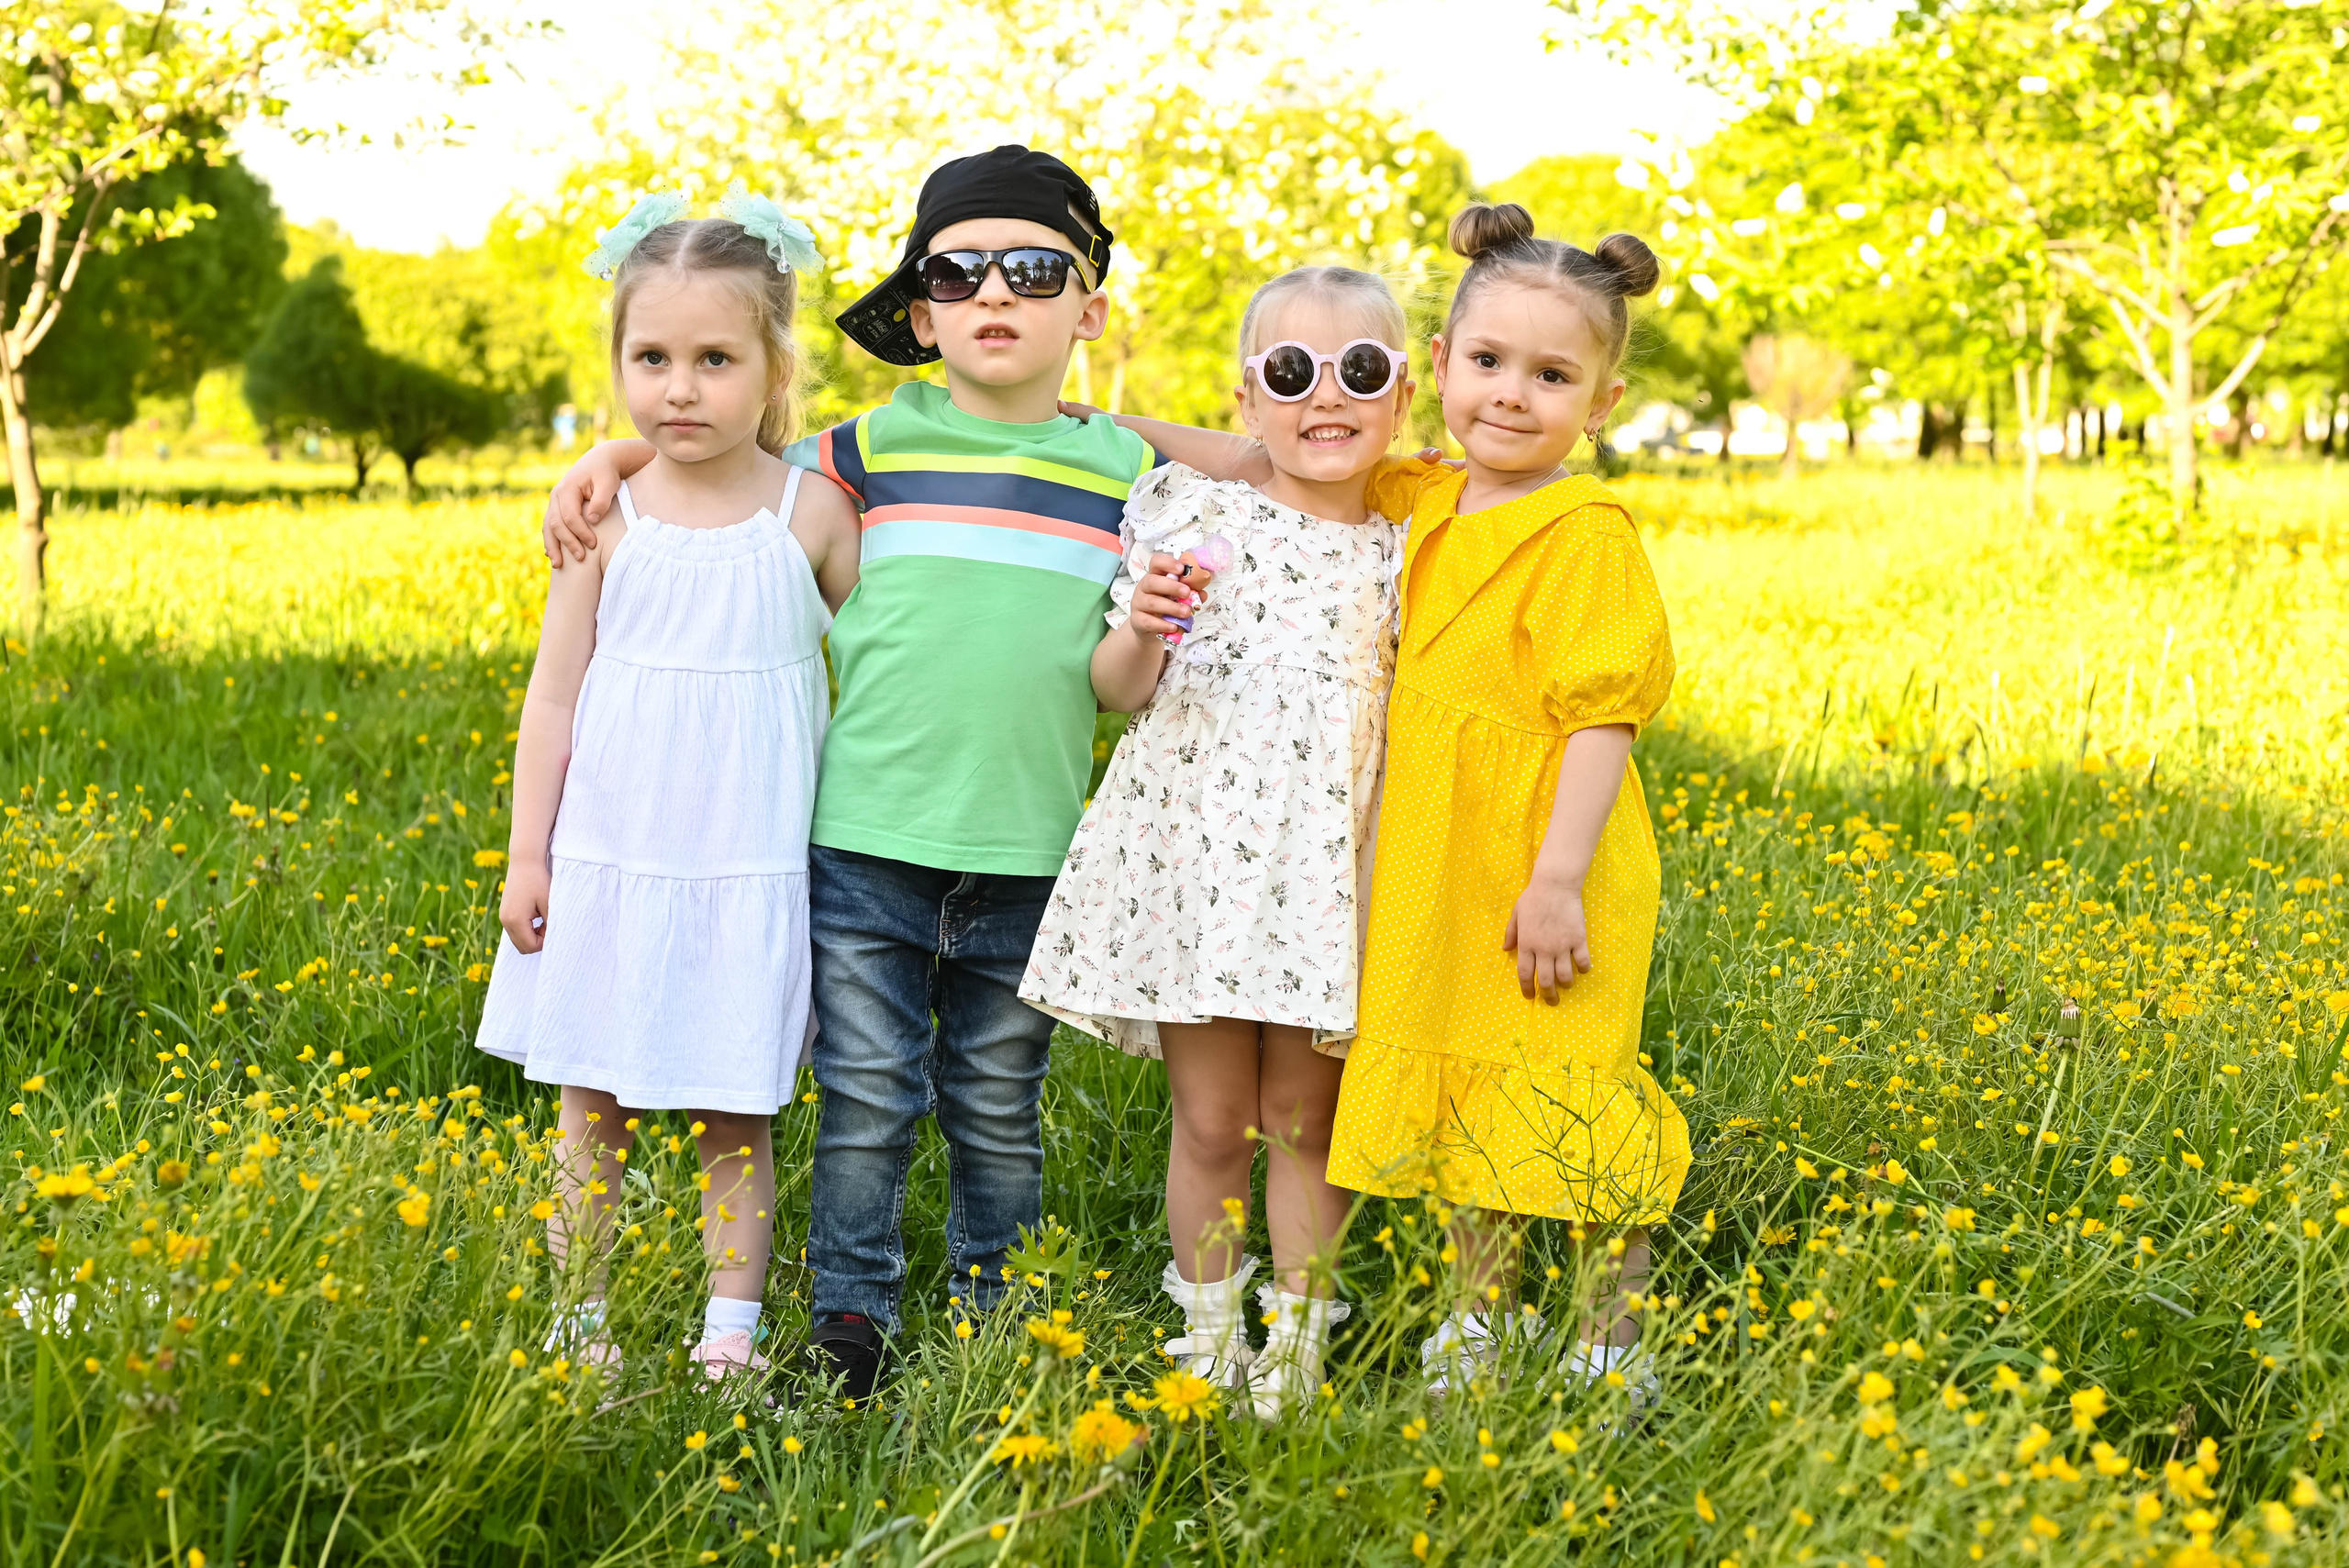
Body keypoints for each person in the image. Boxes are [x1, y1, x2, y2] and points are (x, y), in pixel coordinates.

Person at [539, 149, 1172, 1400]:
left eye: (1037, 270)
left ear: (1088, 306)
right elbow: (711, 446)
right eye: (958, 274)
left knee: (998, 1103)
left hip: (1027, 849)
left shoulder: (1126, 473)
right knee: (867, 1101)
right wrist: (608, 459)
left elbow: (1241, 495)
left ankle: (998, 1311)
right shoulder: (862, 454)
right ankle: (850, 1317)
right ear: (922, 313)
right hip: (861, 843)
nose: (997, 293)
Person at [479, 192, 860, 1382]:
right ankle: (577, 1320)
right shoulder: (610, 516)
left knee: (732, 1110)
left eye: (714, 359)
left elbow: (890, 663)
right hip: (613, 857)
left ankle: (729, 1335)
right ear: (617, 364)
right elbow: (554, 696)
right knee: (588, 1107)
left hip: (747, 868)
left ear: (774, 367)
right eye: (652, 359)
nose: (679, 389)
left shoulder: (813, 514)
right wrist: (529, 851)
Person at [1021, 268, 1414, 1417]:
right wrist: (1139, 629)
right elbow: (1117, 690)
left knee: (1305, 1118)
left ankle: (1293, 1346)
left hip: (1323, 869)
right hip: (1196, 862)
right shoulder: (1191, 514)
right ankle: (1206, 1338)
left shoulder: (1408, 535)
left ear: (1402, 395)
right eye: (1292, 373)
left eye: (1361, 371)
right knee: (1209, 1118)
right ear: (1249, 397)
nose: (1325, 396)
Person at [1334, 203, 1686, 1402]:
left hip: (1545, 859)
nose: (1511, 394)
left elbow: (1603, 716)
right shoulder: (1426, 492)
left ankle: (1605, 1344)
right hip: (1440, 857)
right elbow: (1275, 452)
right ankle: (1476, 1324)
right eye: (1487, 362)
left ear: (1602, 403)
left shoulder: (1582, 531)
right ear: (1438, 367)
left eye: (1552, 375)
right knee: (1466, 1088)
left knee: (1563, 1093)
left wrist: (1557, 879)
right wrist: (1110, 424)